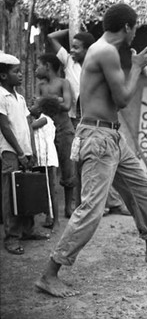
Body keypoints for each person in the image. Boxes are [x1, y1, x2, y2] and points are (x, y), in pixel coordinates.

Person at [35, 3, 147, 298]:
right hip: (98, 138)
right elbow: (125, 99)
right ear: (128, 27)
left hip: (112, 137)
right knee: (91, 210)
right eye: (136, 27)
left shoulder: (107, 53)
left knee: (143, 191)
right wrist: (138, 69)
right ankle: (49, 274)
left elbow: (115, 99)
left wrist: (138, 70)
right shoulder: (105, 51)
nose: (136, 32)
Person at [48, 27, 127, 216]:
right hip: (77, 120)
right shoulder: (68, 62)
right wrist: (73, 27)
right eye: (71, 47)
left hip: (96, 120)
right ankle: (86, 205)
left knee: (102, 163)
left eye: (76, 47)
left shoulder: (96, 64)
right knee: (81, 164)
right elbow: (51, 37)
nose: (72, 50)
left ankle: (110, 203)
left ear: (88, 49)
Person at [0, 52, 49, 255]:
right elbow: (4, 127)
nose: (21, 75)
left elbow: (27, 126)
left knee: (27, 191)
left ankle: (27, 229)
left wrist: (31, 151)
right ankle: (12, 236)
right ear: (3, 76)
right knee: (10, 194)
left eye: (20, 71)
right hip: (10, 152)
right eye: (16, 72)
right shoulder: (1, 96)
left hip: (24, 151)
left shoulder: (19, 98)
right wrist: (19, 152)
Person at [35, 53, 78, 218]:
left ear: (47, 66)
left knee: (68, 168)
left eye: (39, 65)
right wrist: (55, 99)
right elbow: (37, 108)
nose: (36, 69)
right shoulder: (41, 85)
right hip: (47, 131)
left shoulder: (63, 82)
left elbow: (67, 105)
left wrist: (46, 100)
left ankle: (69, 207)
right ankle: (49, 212)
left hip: (64, 129)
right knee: (47, 169)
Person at [30, 98, 60, 231]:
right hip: (41, 160)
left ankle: (57, 221)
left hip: (48, 159)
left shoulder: (45, 119)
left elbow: (30, 127)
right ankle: (49, 217)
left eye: (33, 104)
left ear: (41, 109)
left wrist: (25, 114)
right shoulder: (40, 119)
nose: (30, 106)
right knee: (45, 190)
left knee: (51, 190)